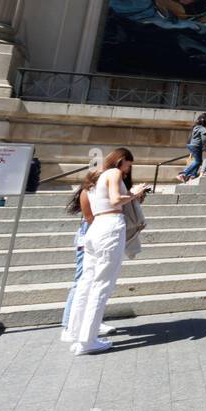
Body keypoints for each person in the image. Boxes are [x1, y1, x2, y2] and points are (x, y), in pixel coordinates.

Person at [66, 148, 149, 355]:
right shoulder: (113, 173)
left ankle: (76, 333)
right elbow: (115, 200)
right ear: (121, 161)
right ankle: (87, 341)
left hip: (95, 229)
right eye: (128, 165)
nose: (129, 170)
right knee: (102, 285)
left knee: (87, 281)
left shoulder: (94, 179)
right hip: (110, 226)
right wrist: (135, 194)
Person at [59, 181, 112, 343]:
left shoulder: (98, 192)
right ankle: (68, 325)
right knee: (81, 280)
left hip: (95, 237)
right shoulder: (90, 193)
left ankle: (91, 320)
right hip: (89, 238)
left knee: (95, 281)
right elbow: (90, 218)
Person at [177, 113, 206, 182]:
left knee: (198, 161)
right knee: (198, 161)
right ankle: (183, 174)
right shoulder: (202, 128)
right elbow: (204, 139)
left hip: (192, 145)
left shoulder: (196, 126)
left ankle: (192, 175)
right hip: (196, 146)